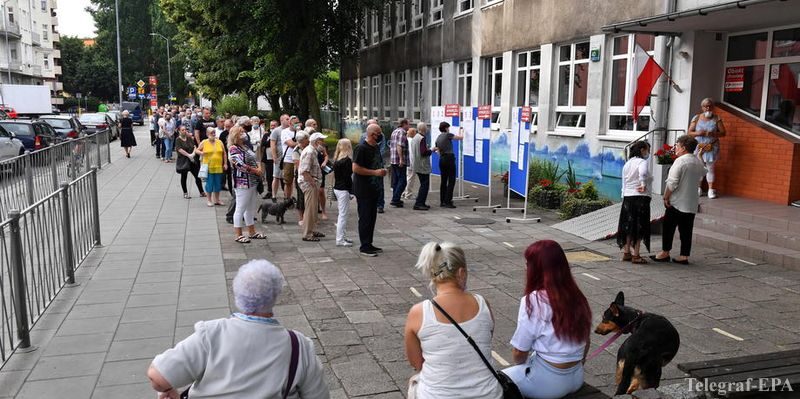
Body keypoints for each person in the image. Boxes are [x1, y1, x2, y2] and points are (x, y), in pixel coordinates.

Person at [147, 259, 330, 399]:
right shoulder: (298, 346)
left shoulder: (211, 334)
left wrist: (169, 388)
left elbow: (157, 377)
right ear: (275, 296)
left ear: (237, 293)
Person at [404, 242, 502, 399]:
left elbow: (417, 363)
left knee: (414, 382)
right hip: (489, 394)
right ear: (461, 272)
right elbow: (486, 339)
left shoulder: (419, 312)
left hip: (438, 396)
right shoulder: (483, 304)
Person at [502, 240, 592, 399]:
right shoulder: (577, 296)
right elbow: (587, 342)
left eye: (528, 264)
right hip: (576, 377)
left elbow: (519, 352)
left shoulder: (533, 301)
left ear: (536, 269)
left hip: (547, 383)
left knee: (496, 382)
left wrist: (524, 370)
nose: (525, 268)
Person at [651, 135, 706, 265]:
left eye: (678, 145)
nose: (676, 148)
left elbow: (672, 183)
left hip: (677, 201)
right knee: (686, 230)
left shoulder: (680, 161)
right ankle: (684, 255)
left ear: (684, 148)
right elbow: (704, 171)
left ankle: (665, 252)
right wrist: (700, 156)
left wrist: (666, 196)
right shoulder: (697, 161)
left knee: (669, 227)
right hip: (691, 202)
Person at [228, 125, 266, 244]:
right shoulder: (233, 148)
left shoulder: (244, 146)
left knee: (250, 208)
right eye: (241, 132)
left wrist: (259, 167)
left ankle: (252, 232)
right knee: (240, 208)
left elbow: (255, 158)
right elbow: (239, 165)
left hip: (253, 181)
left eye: (243, 131)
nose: (244, 133)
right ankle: (238, 234)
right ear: (235, 135)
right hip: (243, 182)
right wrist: (256, 170)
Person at [353, 123, 386, 257]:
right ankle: (364, 246)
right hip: (363, 188)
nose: (380, 136)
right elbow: (355, 168)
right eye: (378, 133)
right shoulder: (361, 148)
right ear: (372, 134)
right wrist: (375, 172)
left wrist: (382, 171)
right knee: (365, 217)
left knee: (372, 217)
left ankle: (369, 243)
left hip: (374, 188)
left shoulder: (376, 147)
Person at [617, 141, 652, 264]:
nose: (648, 153)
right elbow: (642, 173)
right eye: (647, 149)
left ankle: (626, 252)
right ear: (642, 150)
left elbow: (624, 183)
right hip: (640, 198)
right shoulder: (642, 162)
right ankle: (636, 255)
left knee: (627, 225)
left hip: (628, 197)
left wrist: (623, 196)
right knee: (639, 225)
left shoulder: (627, 163)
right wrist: (643, 184)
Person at [688, 98, 726, 199]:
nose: (708, 108)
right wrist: (697, 133)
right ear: (702, 107)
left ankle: (710, 190)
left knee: (710, 168)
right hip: (699, 147)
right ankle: (699, 188)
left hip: (712, 146)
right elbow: (689, 132)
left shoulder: (717, 118)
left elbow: (723, 133)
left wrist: (714, 133)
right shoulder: (696, 118)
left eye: (709, 106)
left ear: (712, 107)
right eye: (705, 106)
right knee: (699, 168)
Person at [299, 132, 327, 242]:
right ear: (316, 142)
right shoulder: (310, 152)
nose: (323, 143)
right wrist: (313, 183)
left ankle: (312, 229)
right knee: (310, 209)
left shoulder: (312, 151)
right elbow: (304, 171)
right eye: (322, 141)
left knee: (313, 208)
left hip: (311, 183)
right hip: (309, 184)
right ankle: (307, 234)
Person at [196, 127, 227, 207]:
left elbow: (224, 153)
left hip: (218, 166)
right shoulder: (204, 142)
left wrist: (225, 164)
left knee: (218, 184)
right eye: (211, 133)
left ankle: (217, 199)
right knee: (209, 184)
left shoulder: (219, 142)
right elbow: (196, 150)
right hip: (208, 167)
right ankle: (209, 200)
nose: (213, 134)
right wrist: (202, 153)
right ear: (207, 134)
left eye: (214, 132)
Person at [305, 119, 330, 220]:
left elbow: (326, 156)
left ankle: (323, 210)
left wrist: (324, 162)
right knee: (311, 191)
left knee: (321, 191)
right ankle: (311, 212)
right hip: (312, 172)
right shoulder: (309, 149)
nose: (322, 141)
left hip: (320, 170)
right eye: (320, 139)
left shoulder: (321, 147)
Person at [434, 121, 463, 208]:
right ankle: (448, 201)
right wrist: (462, 131)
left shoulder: (438, 137)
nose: (449, 129)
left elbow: (437, 150)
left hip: (442, 159)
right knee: (451, 180)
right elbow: (460, 138)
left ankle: (442, 201)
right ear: (446, 128)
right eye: (448, 127)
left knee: (443, 181)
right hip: (449, 159)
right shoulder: (448, 135)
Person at [333, 139, 354, 247]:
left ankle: (342, 236)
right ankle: (340, 239)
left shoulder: (337, 159)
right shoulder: (347, 160)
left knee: (342, 214)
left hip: (337, 188)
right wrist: (351, 191)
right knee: (343, 215)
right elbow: (347, 178)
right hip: (343, 189)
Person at [175, 125, 205, 199]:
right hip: (184, 160)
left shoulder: (189, 138)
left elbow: (194, 146)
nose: (184, 131)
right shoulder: (178, 140)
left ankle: (201, 192)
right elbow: (180, 149)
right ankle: (185, 193)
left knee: (197, 176)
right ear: (179, 131)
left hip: (192, 160)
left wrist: (193, 154)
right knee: (184, 177)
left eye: (185, 130)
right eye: (182, 130)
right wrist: (188, 155)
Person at [410, 124, 433, 211]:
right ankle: (419, 203)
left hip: (417, 163)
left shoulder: (415, 137)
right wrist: (431, 150)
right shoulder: (422, 138)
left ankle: (421, 202)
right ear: (424, 129)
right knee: (424, 185)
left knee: (423, 184)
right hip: (422, 165)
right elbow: (423, 152)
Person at [389, 119, 410, 207]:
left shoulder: (394, 131)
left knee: (396, 181)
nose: (409, 126)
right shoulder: (402, 132)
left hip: (393, 159)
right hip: (399, 160)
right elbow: (399, 145)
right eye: (408, 124)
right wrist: (401, 159)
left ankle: (396, 199)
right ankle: (395, 199)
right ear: (404, 124)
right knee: (403, 181)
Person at [270, 114, 291, 200]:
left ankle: (287, 196)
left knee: (287, 178)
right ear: (281, 120)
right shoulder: (276, 131)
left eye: (289, 119)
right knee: (276, 176)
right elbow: (273, 144)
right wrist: (274, 156)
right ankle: (274, 195)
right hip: (279, 157)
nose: (288, 120)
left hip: (288, 158)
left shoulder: (290, 130)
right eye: (287, 119)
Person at [281, 116, 300, 202]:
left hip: (299, 159)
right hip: (288, 159)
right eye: (294, 122)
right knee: (288, 181)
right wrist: (299, 143)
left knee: (299, 181)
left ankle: (298, 199)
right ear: (289, 123)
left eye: (297, 122)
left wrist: (299, 132)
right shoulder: (285, 132)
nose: (296, 124)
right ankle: (287, 199)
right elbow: (291, 144)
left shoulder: (300, 132)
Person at [402, 124, 421, 201]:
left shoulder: (407, 139)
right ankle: (408, 194)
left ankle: (404, 192)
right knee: (410, 179)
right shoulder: (412, 141)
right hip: (411, 162)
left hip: (407, 162)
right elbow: (413, 153)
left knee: (407, 178)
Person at [260, 120, 278, 199]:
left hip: (278, 157)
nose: (273, 127)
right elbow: (264, 143)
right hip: (268, 157)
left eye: (274, 125)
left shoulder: (280, 133)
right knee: (269, 175)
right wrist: (272, 139)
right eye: (271, 125)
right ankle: (269, 191)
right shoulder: (266, 134)